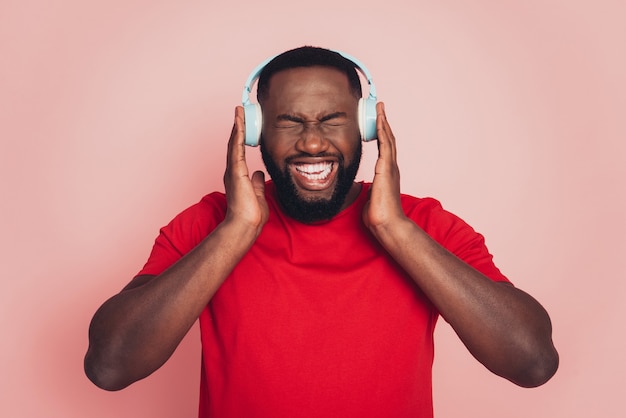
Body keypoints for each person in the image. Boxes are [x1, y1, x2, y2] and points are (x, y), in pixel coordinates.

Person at [84, 46, 559, 417]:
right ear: (253, 132)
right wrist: (237, 231)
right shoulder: (209, 224)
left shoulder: (425, 225)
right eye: (290, 122)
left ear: (367, 127)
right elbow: (109, 366)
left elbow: (532, 362)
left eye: (332, 119)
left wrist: (394, 229)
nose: (312, 142)